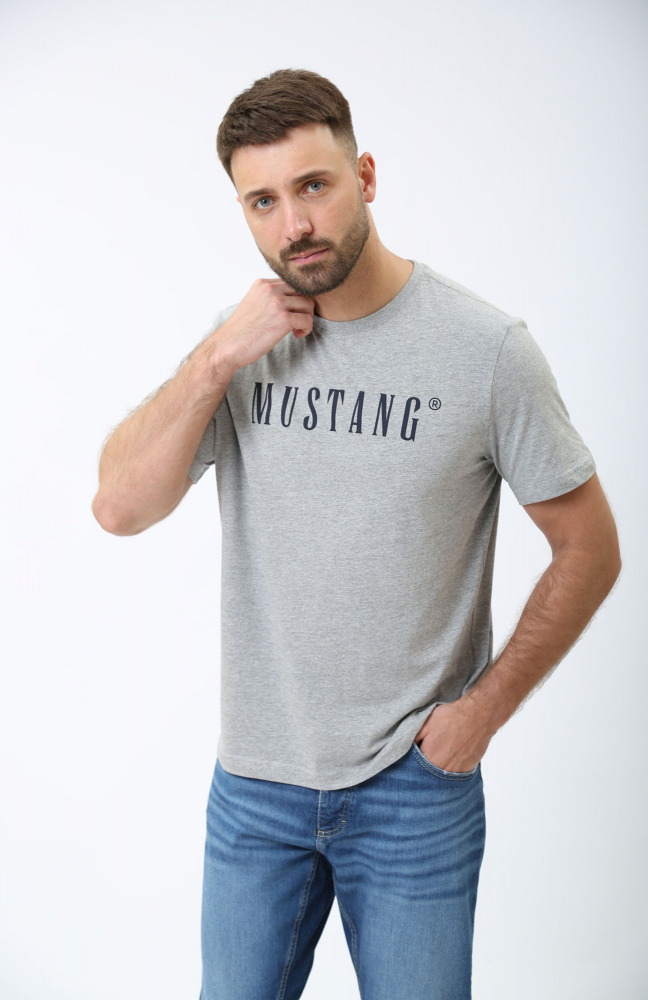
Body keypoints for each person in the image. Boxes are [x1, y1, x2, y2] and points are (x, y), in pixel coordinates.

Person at [92, 68, 621, 1000]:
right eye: (262, 201)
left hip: (414, 792)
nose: (294, 224)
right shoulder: (239, 349)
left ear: (366, 176)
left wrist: (478, 717)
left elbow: (591, 549)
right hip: (255, 790)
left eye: (314, 186)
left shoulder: (486, 351)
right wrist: (216, 358)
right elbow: (118, 508)